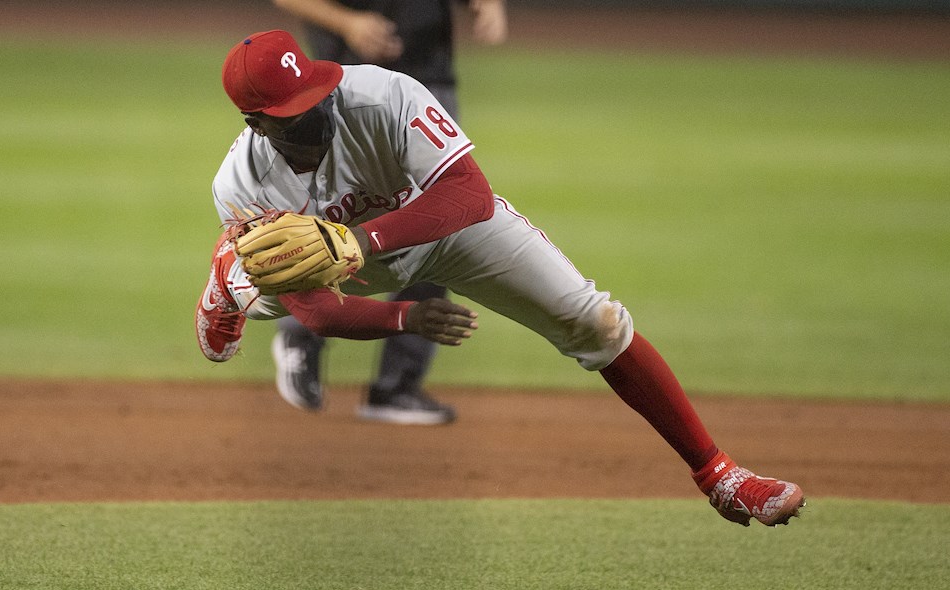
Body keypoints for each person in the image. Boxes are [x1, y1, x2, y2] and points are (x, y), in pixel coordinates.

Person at [195, 30, 806, 527]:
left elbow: (470, 194)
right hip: (343, 267)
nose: (316, 117)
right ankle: (227, 284)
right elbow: (321, 314)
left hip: (436, 227)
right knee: (262, 277)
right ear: (258, 123)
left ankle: (720, 477)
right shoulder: (244, 185)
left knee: (595, 320)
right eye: (295, 117)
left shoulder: (384, 96)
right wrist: (403, 316)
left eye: (317, 98)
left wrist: (360, 239)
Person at [265, 0, 507, 425]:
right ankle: (301, 334)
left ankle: (397, 385)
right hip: (342, 81)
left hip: (429, 75)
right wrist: (347, 21)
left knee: (441, 219)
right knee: (336, 218)